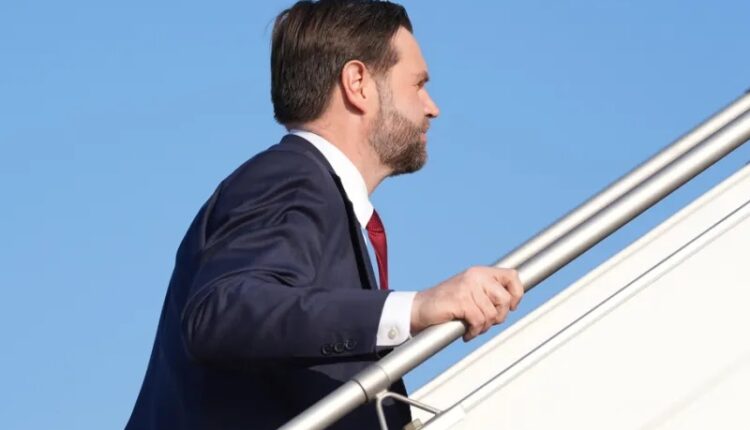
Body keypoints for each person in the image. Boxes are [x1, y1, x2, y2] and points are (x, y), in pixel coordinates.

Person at [125, 1, 524, 429]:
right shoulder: (292, 176)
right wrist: (416, 308)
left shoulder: (316, 193)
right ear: (358, 83)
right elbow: (225, 312)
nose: (432, 107)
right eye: (418, 84)